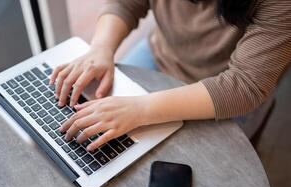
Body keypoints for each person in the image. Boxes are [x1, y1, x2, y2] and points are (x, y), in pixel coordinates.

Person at [50, 0, 291, 151]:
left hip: (227, 89)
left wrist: (140, 109)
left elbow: (245, 86)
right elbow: (127, 3)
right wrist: (101, 47)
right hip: (160, 51)